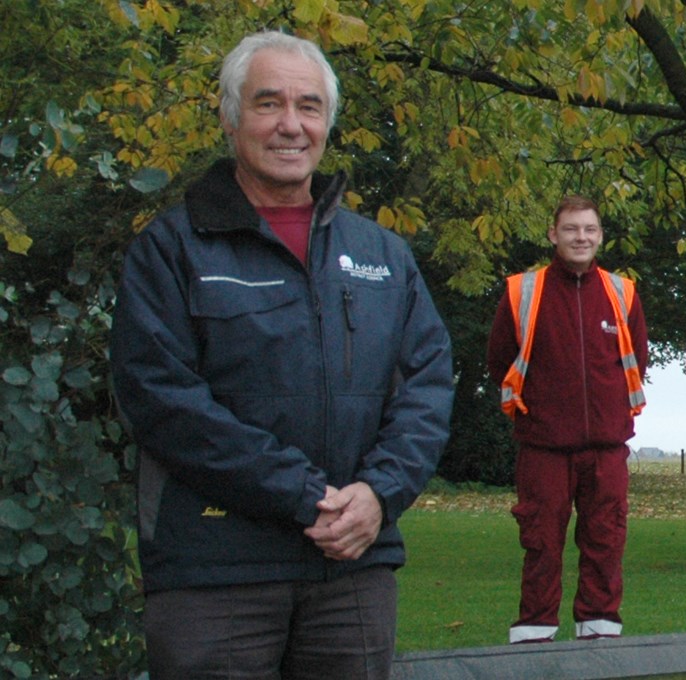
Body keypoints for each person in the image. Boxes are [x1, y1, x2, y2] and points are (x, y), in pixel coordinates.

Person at [109, 30, 453, 679]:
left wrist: (378, 496)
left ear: (328, 123)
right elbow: (160, 398)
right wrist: (302, 495)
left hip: (352, 570)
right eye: (269, 104)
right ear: (232, 117)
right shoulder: (172, 250)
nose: (291, 125)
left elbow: (427, 389)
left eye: (310, 106)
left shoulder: (383, 257)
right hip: (215, 574)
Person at [487, 194, 650, 643]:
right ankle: (535, 634)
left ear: (600, 236)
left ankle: (599, 631)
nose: (581, 237)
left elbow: (637, 359)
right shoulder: (522, 291)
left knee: (606, 540)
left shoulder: (623, 293)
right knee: (540, 543)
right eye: (572, 229)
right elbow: (499, 358)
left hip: (607, 447)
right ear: (553, 235)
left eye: (590, 229)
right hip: (543, 447)